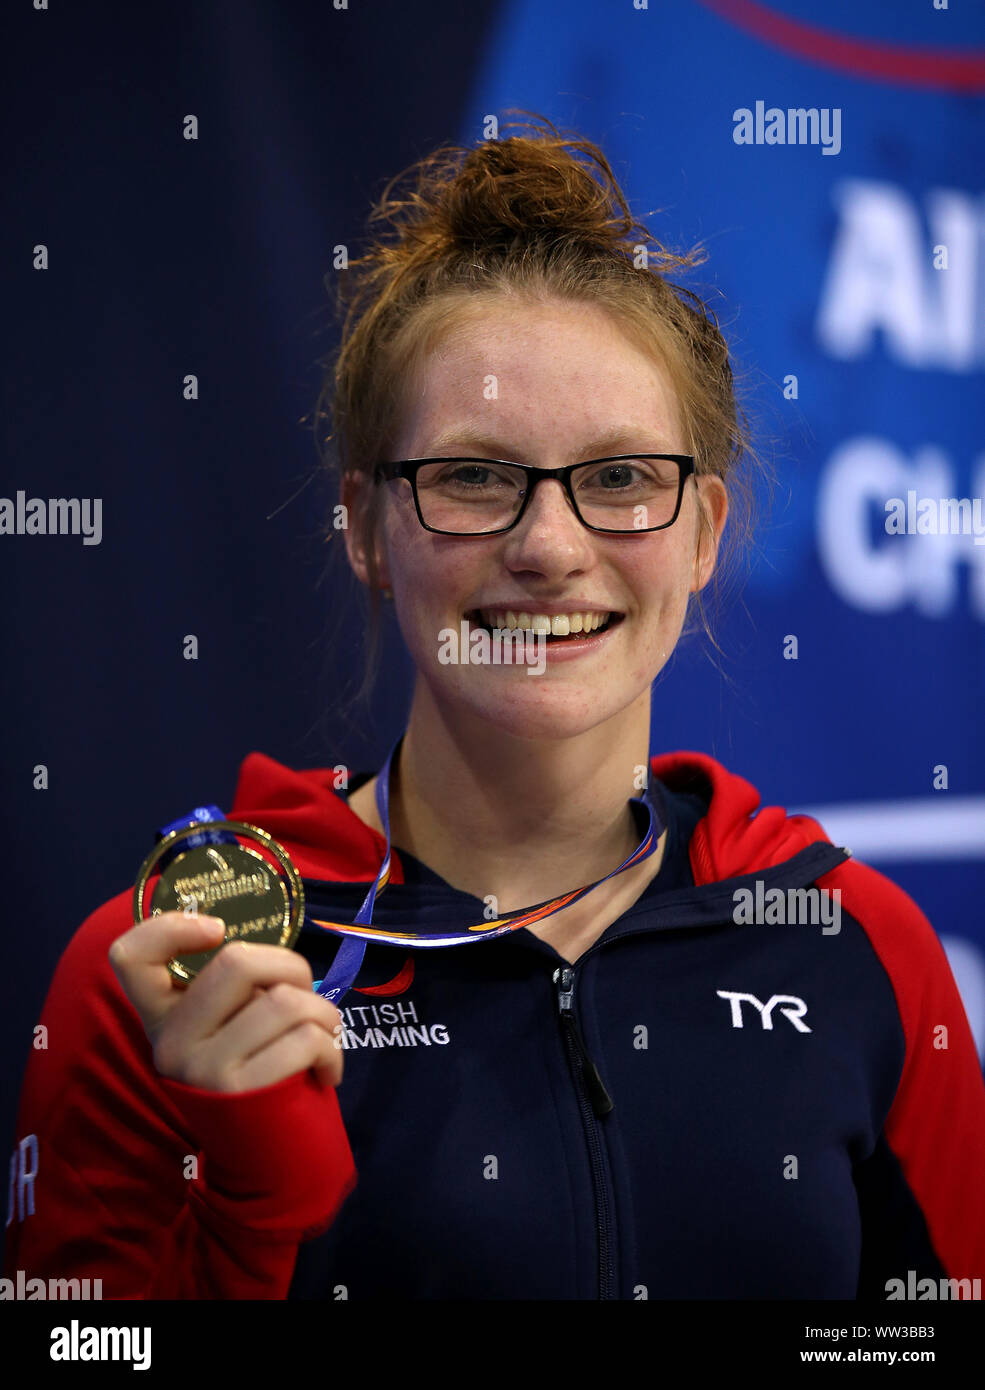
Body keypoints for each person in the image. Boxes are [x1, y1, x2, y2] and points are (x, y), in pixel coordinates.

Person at [5, 114, 985, 1302]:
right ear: (367, 528)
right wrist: (245, 1217)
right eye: (473, 476)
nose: (549, 545)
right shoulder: (178, 970)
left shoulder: (858, 943)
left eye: (621, 478)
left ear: (704, 536)